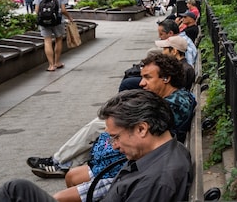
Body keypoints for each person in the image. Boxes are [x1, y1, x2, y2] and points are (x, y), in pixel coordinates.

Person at [0, 89, 192, 202]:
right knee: (18, 188)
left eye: (116, 137)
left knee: (13, 190)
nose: (113, 146)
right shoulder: (161, 154)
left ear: (141, 129)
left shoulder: (157, 180)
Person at [28, 54, 195, 185]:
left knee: (98, 128)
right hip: (135, 160)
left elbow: (144, 137)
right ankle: (60, 162)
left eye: (148, 77)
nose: (142, 83)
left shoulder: (172, 105)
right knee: (100, 128)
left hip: (133, 164)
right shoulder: (174, 98)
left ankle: (59, 162)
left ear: (166, 78)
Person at [37, 0, 76, 72]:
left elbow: (36, 10)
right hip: (58, 21)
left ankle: (51, 65)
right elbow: (63, 10)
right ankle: (57, 62)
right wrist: (70, 17)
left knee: (47, 41)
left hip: (44, 21)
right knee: (58, 40)